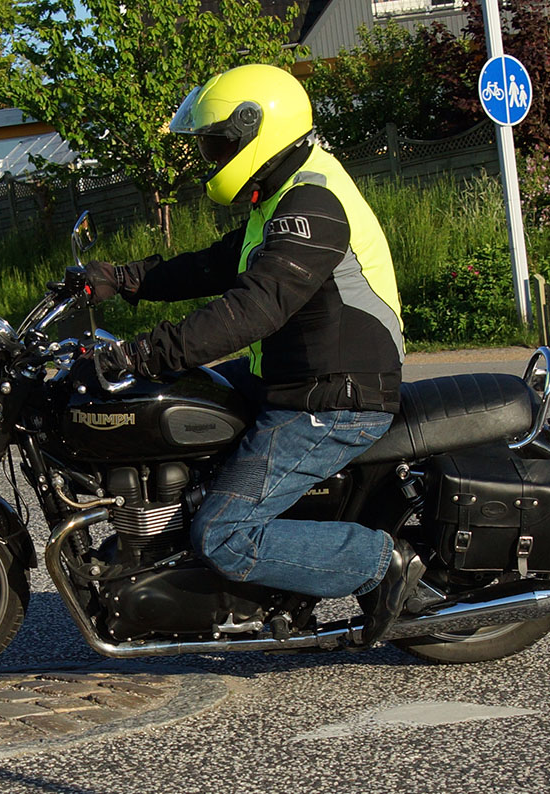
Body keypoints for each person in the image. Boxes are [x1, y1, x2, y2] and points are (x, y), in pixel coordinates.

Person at [85, 63, 423, 647]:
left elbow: (253, 308)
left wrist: (144, 353)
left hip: (334, 396)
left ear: (258, 131)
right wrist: (123, 277)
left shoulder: (313, 204)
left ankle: (381, 562)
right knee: (178, 406)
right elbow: (215, 265)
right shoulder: (284, 195)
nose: (212, 156)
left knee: (224, 533)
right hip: (292, 377)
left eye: (219, 143)